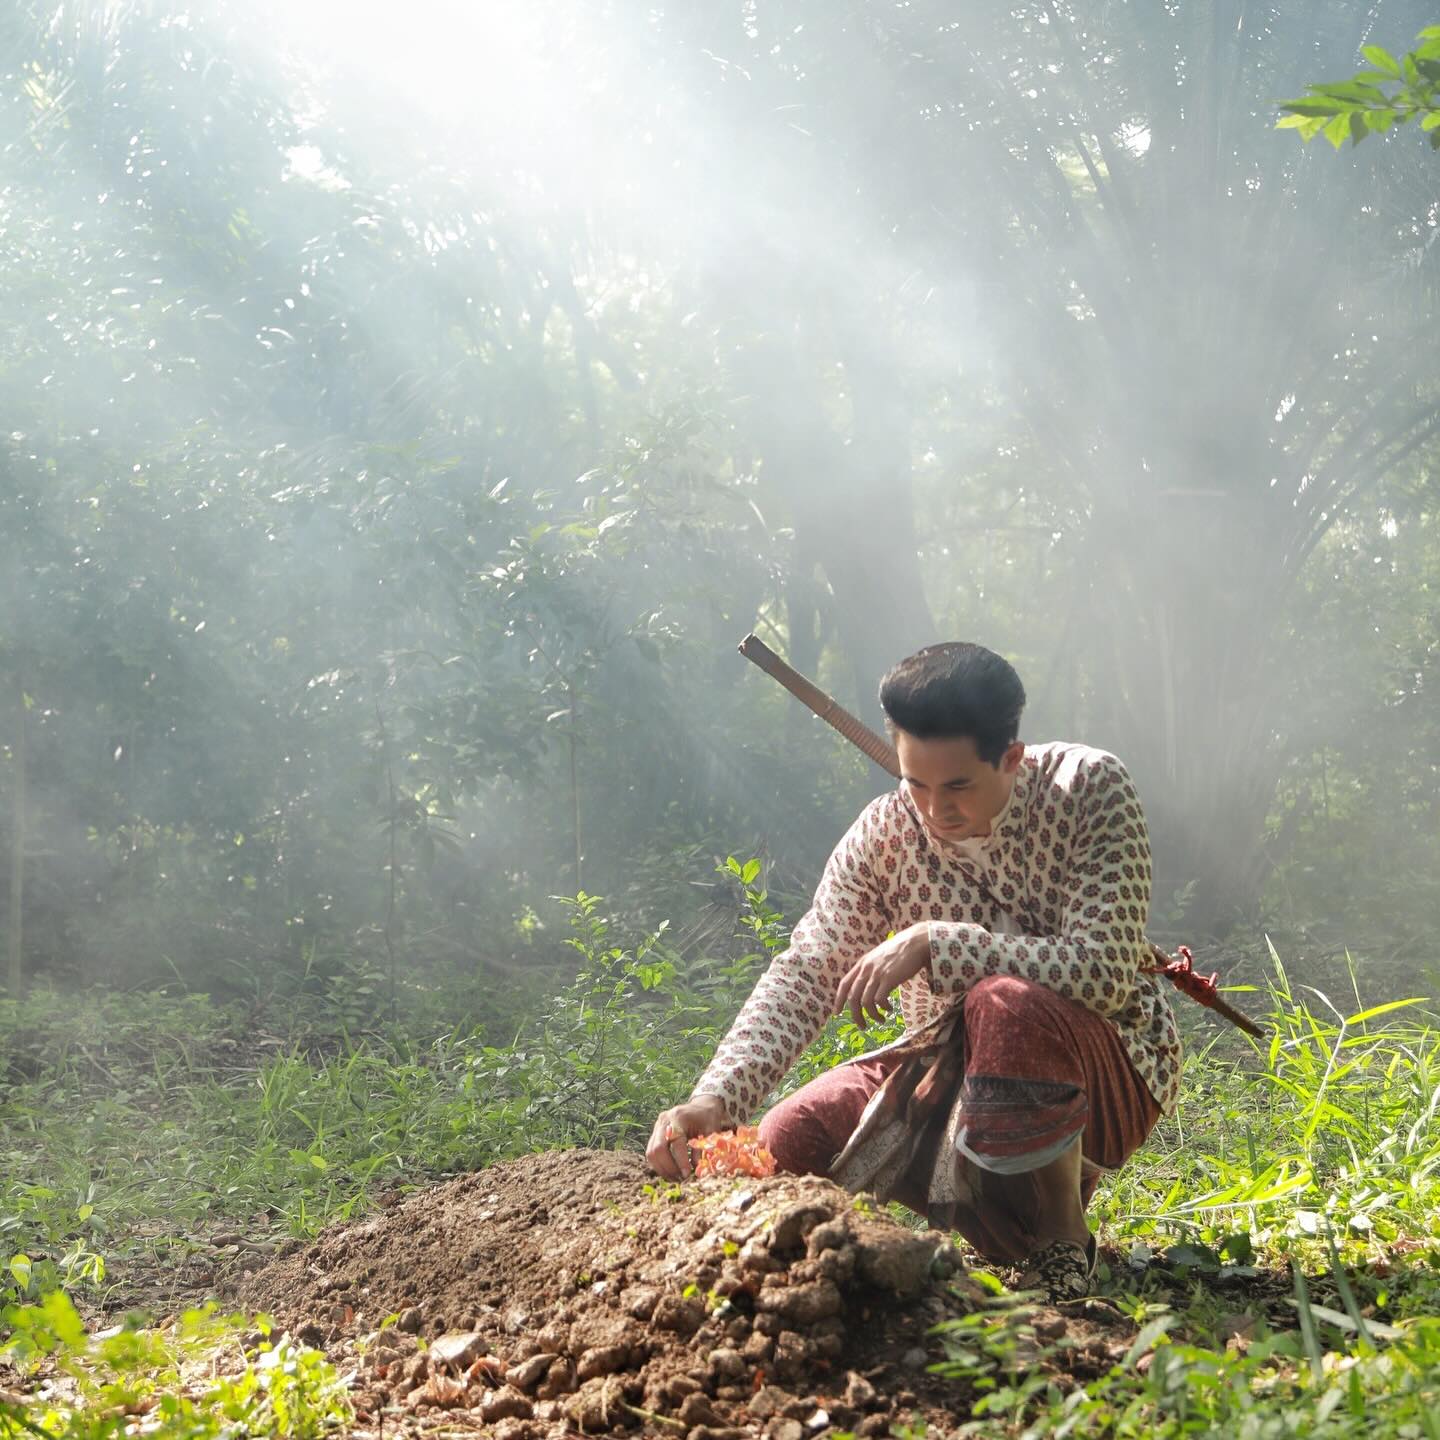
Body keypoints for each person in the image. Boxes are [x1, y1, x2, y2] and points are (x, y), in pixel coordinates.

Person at [646, 641, 1180, 1301]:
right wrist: (714, 1099)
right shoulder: (884, 836)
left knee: (1001, 1001)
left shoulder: (1088, 788)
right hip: (949, 1072)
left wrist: (937, 940)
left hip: (1111, 1069)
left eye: (958, 786)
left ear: (1012, 757)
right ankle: (1000, 1214)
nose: (934, 811)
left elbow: (1105, 972)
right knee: (788, 1138)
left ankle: (1063, 1240)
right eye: (914, 782)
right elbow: (810, 970)